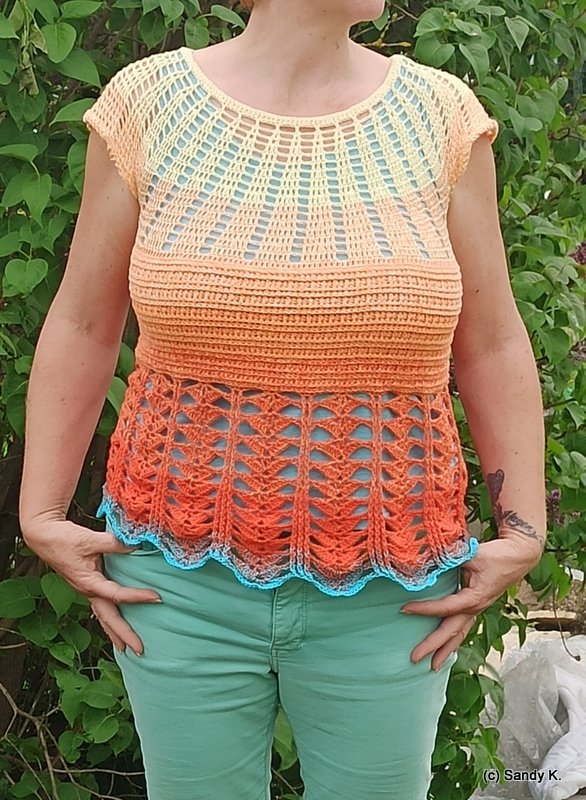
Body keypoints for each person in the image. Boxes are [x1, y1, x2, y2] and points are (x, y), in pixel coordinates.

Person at [18, 0, 547, 797]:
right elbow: (85, 323)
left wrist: (524, 527)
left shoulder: (441, 118)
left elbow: (494, 341)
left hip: (392, 594)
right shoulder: (148, 105)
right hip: (174, 581)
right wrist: (41, 512)